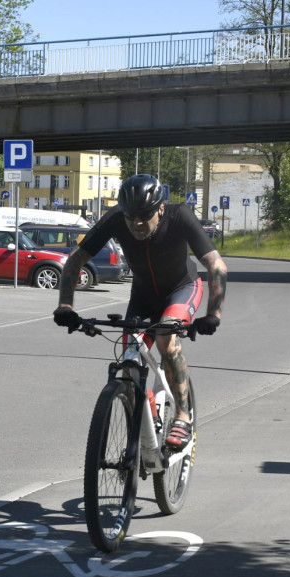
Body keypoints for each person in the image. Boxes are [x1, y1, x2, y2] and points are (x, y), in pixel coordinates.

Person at [53, 174, 228, 452]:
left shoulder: (179, 215)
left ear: (160, 208)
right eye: (130, 216)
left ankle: (182, 416)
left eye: (144, 215)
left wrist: (213, 314)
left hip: (182, 288)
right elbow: (75, 260)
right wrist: (66, 306)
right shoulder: (115, 219)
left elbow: (216, 265)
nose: (137, 223)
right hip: (143, 297)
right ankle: (145, 424)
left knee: (165, 339)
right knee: (130, 360)